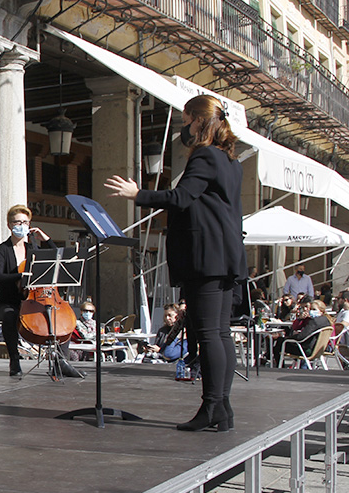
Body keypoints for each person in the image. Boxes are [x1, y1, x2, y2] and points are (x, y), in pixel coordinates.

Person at [106, 94, 247, 432]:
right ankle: (221, 407)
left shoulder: (205, 156)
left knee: (209, 333)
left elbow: (180, 198)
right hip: (225, 256)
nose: (184, 126)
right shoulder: (231, 162)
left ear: (199, 120)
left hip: (205, 257)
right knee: (220, 333)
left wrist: (137, 194)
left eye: (186, 120)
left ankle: (213, 406)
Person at [0, 204, 56, 376]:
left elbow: (56, 258)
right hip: (8, 301)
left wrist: (46, 238)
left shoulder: (33, 249)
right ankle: (14, 360)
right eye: (17, 222)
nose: (22, 226)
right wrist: (20, 276)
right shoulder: (3, 249)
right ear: (9, 225)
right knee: (10, 316)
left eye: (25, 222)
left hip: (33, 301)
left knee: (55, 315)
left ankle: (60, 361)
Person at [273, 299, 332, 366]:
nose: (311, 311)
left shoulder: (314, 321)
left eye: (314, 309)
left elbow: (301, 337)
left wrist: (288, 338)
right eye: (311, 309)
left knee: (280, 341)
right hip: (318, 349)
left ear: (321, 311)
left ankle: (280, 366)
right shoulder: (326, 320)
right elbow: (296, 328)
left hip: (307, 350)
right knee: (282, 341)